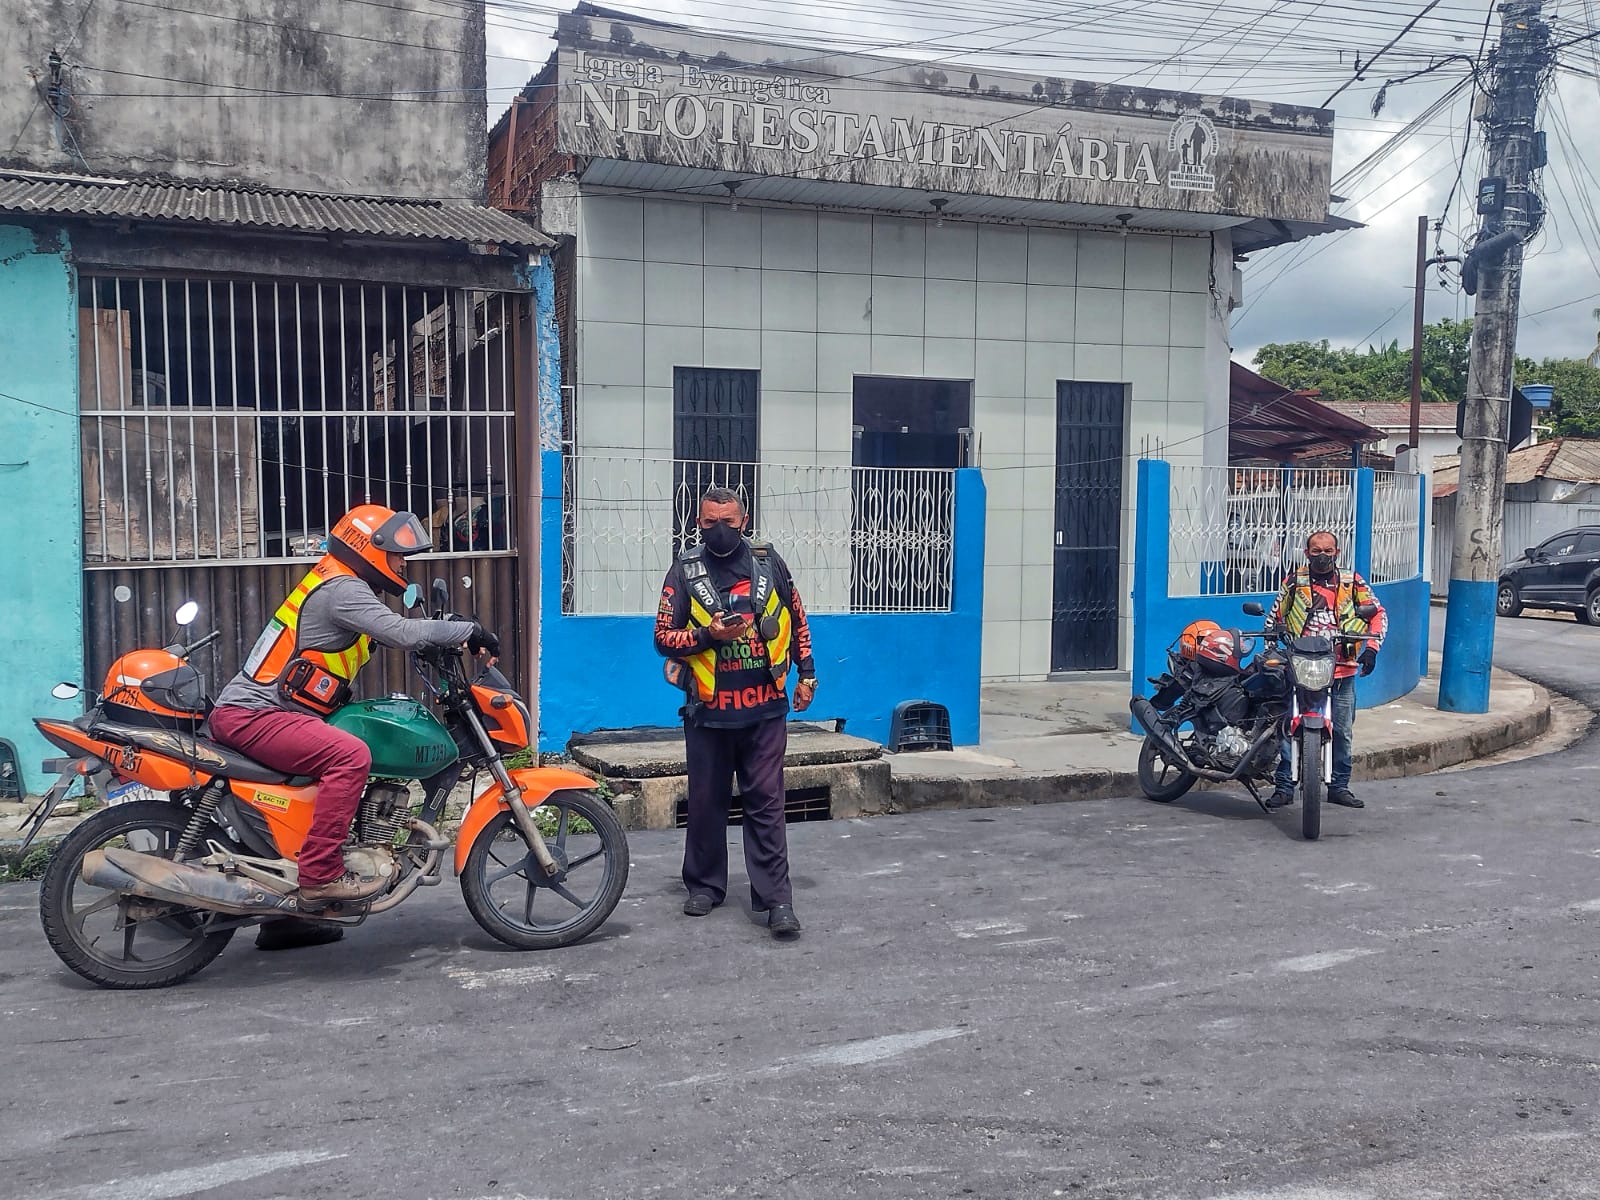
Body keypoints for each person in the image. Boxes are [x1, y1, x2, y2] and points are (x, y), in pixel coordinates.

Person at [209, 504, 488, 948]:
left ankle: (289, 918)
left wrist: (442, 631)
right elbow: (401, 632)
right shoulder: (342, 588)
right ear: (369, 549)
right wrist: (470, 631)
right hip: (256, 715)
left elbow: (393, 630)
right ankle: (319, 876)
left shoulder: (339, 582)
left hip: (269, 713)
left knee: (344, 745)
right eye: (397, 556)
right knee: (350, 755)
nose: (402, 565)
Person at [654, 487, 817, 939]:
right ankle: (705, 885)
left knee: (766, 803)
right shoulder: (685, 571)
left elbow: (798, 620)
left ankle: (777, 900)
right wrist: (707, 635)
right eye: (709, 523)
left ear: (743, 521)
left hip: (765, 710)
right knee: (706, 802)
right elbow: (662, 637)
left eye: (727, 521)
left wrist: (808, 676)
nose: (719, 530)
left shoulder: (769, 563)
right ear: (699, 524)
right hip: (708, 711)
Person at [1264, 529, 1388, 811]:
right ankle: (1284, 785)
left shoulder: (1352, 582)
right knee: (1286, 726)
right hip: (1299, 666)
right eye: (1316, 551)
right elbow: (1275, 617)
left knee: (1342, 730)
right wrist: (1272, 646)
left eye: (1328, 551)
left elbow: (1378, 614)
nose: (1322, 556)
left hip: (1341, 668)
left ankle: (1339, 786)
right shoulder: (1294, 582)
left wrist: (1371, 649)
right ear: (1307, 554)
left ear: (1337, 553)